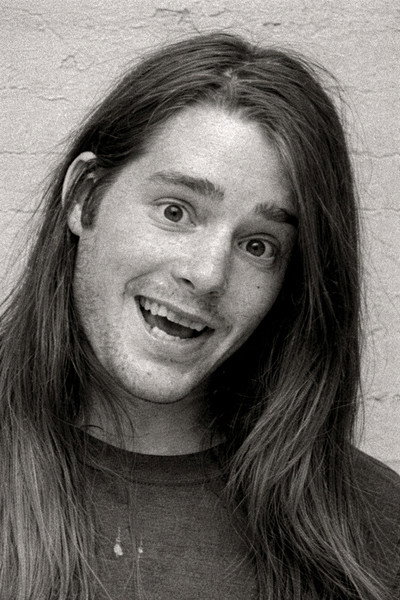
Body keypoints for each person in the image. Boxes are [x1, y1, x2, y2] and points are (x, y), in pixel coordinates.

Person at [0, 32, 399, 600]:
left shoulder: (375, 537)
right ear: (84, 198)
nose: (209, 274)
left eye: (258, 245)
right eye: (175, 211)